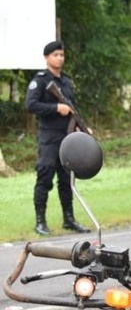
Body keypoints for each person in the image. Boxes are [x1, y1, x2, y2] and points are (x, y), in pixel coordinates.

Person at [24, 40, 91, 236]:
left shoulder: (67, 81)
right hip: (49, 137)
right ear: (47, 58)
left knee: (66, 178)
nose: (59, 58)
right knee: (44, 176)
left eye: (61, 55)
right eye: (55, 55)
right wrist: (55, 108)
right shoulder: (41, 80)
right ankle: (40, 222)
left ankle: (69, 219)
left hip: (67, 136)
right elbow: (30, 105)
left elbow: (73, 108)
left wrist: (82, 125)